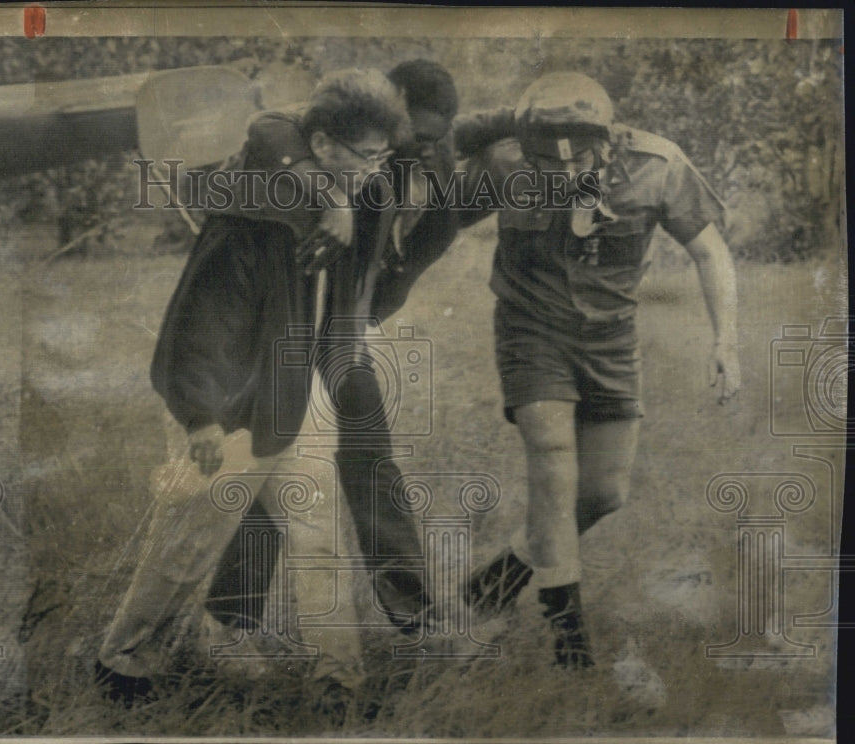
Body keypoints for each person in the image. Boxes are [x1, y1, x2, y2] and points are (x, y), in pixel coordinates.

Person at [95, 67, 408, 706]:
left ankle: (339, 681)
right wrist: (199, 417)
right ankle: (122, 660)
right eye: (368, 156)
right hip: (232, 407)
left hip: (297, 397)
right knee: (190, 544)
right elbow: (196, 319)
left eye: (383, 157)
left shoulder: (346, 206)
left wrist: (345, 200)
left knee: (318, 539)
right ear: (321, 147)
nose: (377, 170)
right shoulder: (249, 213)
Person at [454, 72, 741, 668]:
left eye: (577, 156)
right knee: (554, 466)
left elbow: (709, 249)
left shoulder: (656, 163)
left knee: (604, 493)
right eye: (545, 157)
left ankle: (501, 576)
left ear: (606, 138)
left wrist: (727, 341)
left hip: (611, 339)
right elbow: (435, 216)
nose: (560, 171)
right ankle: (571, 642)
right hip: (532, 330)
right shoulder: (504, 161)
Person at [205, 59, 464, 637]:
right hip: (284, 329)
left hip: (342, 332)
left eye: (432, 139)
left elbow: (481, 145)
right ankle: (230, 620)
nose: (420, 149)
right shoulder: (313, 129)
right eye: (413, 136)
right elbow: (268, 125)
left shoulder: (428, 151)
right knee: (280, 466)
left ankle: (417, 618)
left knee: (370, 458)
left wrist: (377, 303)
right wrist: (332, 195)